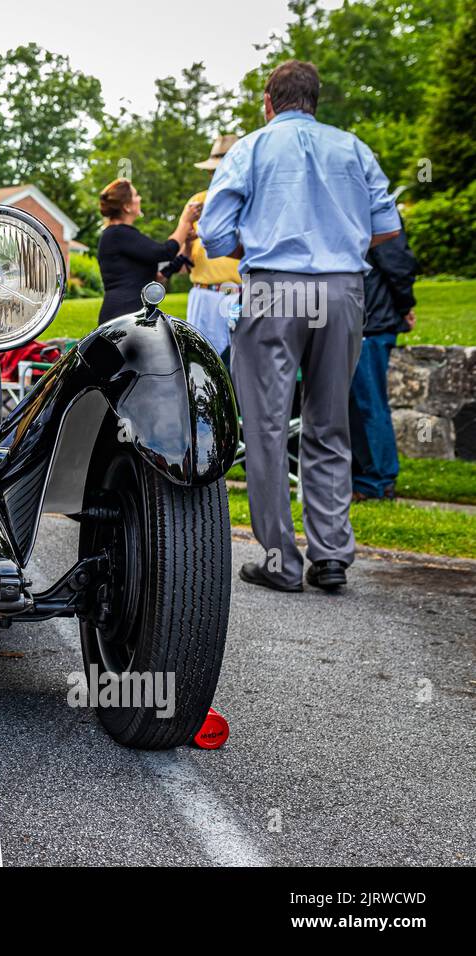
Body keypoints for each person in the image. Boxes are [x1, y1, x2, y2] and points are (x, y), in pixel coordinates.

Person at [197, 60, 401, 593]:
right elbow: (387, 228)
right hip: (341, 289)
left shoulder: (250, 147)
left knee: (265, 428)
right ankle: (331, 553)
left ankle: (279, 561)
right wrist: (339, 241)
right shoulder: (352, 148)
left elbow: (214, 235)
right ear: (315, 101)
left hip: (274, 287)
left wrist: (262, 243)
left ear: (269, 101)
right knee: (330, 420)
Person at [350, 226, 416, 501]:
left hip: (371, 322)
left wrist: (405, 307)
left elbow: (399, 265)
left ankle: (377, 482)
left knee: (369, 404)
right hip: (357, 320)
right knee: (358, 406)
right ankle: (367, 478)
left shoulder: (376, 209)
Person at [95, 179, 199, 324]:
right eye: (136, 195)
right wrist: (185, 222)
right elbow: (164, 252)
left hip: (132, 313)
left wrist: (186, 241)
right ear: (127, 206)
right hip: (123, 315)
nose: (140, 198)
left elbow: (155, 275)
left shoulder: (120, 234)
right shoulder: (118, 233)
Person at [183, 135, 243, 364]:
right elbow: (183, 258)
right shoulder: (197, 203)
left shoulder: (249, 200)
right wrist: (188, 241)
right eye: (213, 170)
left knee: (242, 365)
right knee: (202, 364)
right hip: (204, 295)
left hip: (241, 294)